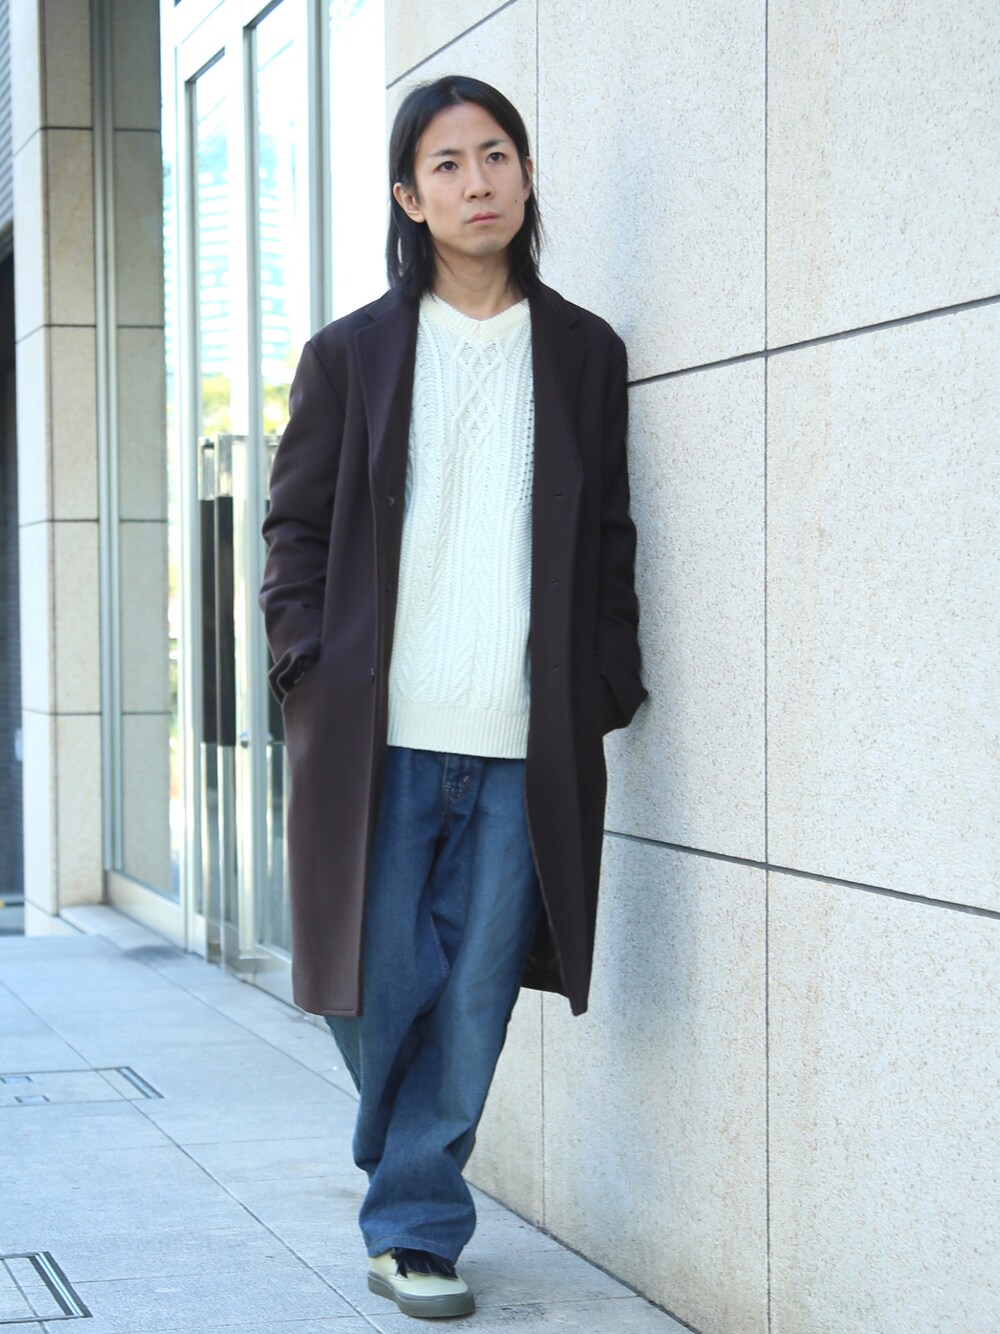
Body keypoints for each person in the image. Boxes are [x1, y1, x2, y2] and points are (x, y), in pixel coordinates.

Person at [259, 74, 646, 1321]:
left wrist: (604, 678)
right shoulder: (351, 356)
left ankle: (417, 1225)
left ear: (525, 177)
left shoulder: (583, 353)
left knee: (474, 993)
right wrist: (307, 663)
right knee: (370, 980)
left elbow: (610, 535)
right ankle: (409, 1159)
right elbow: (293, 531)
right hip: (378, 736)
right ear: (408, 197)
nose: (477, 181)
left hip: (525, 738)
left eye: (496, 155)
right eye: (447, 164)